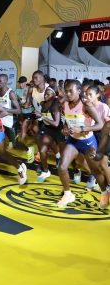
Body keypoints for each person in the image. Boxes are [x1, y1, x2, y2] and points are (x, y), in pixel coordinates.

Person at [57, 80, 104, 208]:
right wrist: (65, 128)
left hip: (88, 142)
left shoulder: (86, 105)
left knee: (95, 171)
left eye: (70, 91)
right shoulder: (65, 105)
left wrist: (82, 129)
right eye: (66, 91)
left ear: (79, 91)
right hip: (73, 141)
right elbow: (66, 121)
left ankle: (105, 192)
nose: (68, 93)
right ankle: (68, 194)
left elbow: (100, 124)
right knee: (62, 167)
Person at [34, 87, 63, 182]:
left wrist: (42, 117)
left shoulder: (55, 105)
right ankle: (45, 170)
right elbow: (42, 117)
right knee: (42, 150)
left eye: (48, 94)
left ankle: (59, 156)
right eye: (45, 94)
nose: (46, 95)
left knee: (65, 154)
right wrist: (38, 117)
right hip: (47, 129)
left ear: (54, 95)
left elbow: (56, 123)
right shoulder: (43, 103)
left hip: (57, 130)